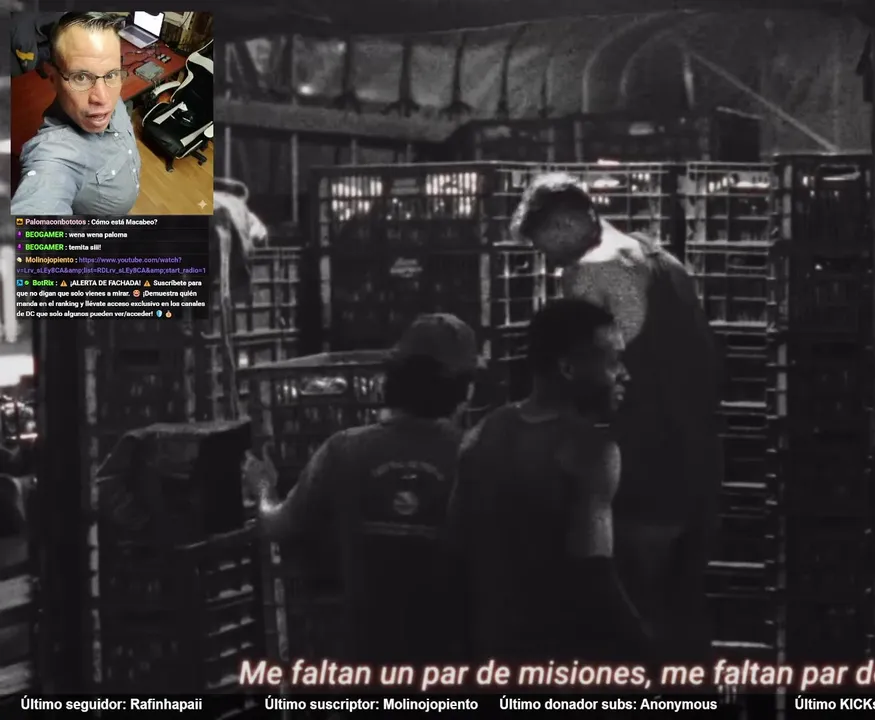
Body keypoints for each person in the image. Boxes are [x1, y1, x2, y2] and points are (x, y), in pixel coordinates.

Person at [510, 174, 724, 670]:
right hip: (695, 464)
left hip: (642, 471)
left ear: (566, 222)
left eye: (544, 242)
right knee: (684, 613)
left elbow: (591, 371)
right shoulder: (658, 257)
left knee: (633, 616)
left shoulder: (594, 270)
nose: (546, 258)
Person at [243, 313, 480, 666]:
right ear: (465, 390)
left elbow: (276, 525)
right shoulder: (476, 455)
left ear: (391, 381)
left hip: (364, 665)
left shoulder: (343, 450)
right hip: (453, 668)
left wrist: (263, 487)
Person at [446, 299, 652, 668]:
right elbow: (594, 574)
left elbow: (456, 553)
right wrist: (651, 656)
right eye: (613, 361)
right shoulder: (591, 450)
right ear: (568, 368)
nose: (625, 375)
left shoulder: (483, 433)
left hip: (491, 655)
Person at [12, 12, 142, 216]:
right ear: (53, 78)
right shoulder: (54, 155)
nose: (103, 98)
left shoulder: (106, 92)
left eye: (111, 74)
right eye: (81, 77)